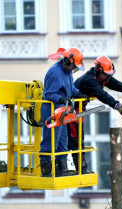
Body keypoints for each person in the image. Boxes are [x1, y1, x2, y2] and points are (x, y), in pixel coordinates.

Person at [67, 56, 122, 174]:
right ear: (98, 70)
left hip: (79, 110)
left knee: (79, 138)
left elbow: (114, 83)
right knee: (76, 139)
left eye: (109, 75)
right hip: (70, 112)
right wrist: (117, 106)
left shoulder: (102, 77)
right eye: (106, 75)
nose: (108, 78)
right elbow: (102, 95)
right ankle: (80, 169)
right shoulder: (90, 80)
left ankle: (81, 168)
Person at [40, 47, 89, 177]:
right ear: (67, 61)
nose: (74, 68)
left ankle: (63, 170)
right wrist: (61, 98)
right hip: (51, 109)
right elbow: (49, 93)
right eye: (74, 65)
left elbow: (70, 88)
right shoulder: (55, 73)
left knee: (62, 141)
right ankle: (46, 171)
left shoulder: (68, 72)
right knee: (50, 140)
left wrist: (80, 94)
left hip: (62, 109)